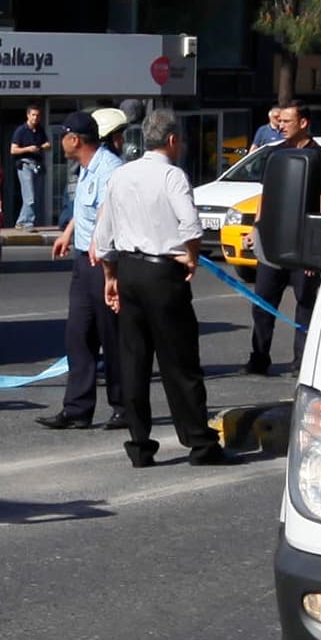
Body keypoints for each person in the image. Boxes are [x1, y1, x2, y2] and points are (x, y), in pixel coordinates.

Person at [98, 110, 228, 467]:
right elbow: (191, 225)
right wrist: (191, 258)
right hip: (162, 273)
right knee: (180, 361)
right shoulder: (172, 176)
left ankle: (140, 445)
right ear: (172, 140)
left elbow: (104, 231)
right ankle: (199, 442)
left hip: (128, 269)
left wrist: (111, 276)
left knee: (134, 361)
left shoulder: (121, 175)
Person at [36, 108, 126, 431]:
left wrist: (99, 246)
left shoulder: (109, 168)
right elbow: (84, 210)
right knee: (78, 335)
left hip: (104, 262)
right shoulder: (86, 167)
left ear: (75, 140)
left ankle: (124, 406)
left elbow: (107, 210)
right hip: (82, 261)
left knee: (112, 337)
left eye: (64, 136)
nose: (61, 141)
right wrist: (68, 233)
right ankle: (77, 408)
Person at [248, 101, 321, 375]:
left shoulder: (318, 156)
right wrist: (256, 228)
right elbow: (265, 194)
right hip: (272, 242)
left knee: (304, 303)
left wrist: (313, 249)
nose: (280, 126)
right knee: (263, 301)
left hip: (301, 244)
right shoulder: (275, 154)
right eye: (279, 121)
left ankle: (300, 361)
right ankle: (258, 356)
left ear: (303, 123)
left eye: (287, 121)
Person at [9, 103, 47, 228]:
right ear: (28, 115)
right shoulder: (21, 131)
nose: (35, 118)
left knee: (35, 196)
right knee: (29, 195)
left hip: (37, 165)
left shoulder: (40, 130)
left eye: (37, 115)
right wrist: (28, 149)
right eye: (33, 115)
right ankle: (27, 223)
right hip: (25, 164)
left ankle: (22, 221)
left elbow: (48, 144)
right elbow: (13, 150)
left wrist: (41, 147)